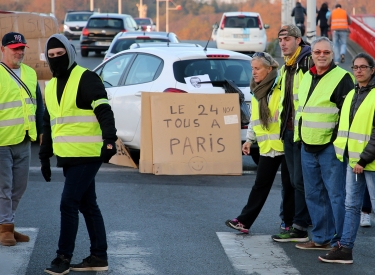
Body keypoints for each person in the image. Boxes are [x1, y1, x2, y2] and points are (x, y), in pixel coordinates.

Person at [39, 34, 117, 275]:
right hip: (68, 156)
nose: (55, 59)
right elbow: (49, 121)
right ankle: (98, 256)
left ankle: (63, 257)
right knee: (87, 204)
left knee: (68, 203)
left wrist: (109, 140)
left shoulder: (86, 77)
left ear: (70, 53)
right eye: (51, 56)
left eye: (60, 54)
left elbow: (104, 110)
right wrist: (44, 155)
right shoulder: (50, 86)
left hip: (88, 154)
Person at [293, 37, 354, 251]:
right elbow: (301, 110)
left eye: (326, 52)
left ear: (332, 54)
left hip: (330, 147)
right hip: (307, 145)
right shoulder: (307, 77)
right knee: (313, 194)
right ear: (312, 54)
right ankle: (321, 238)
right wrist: (298, 137)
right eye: (317, 52)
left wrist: (337, 141)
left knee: (336, 195)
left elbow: (347, 114)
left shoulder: (343, 77)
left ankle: (340, 240)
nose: (321, 55)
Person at [318, 53, 375, 264]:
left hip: (369, 162)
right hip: (354, 161)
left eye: (363, 67)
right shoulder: (352, 94)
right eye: (355, 67)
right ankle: (345, 249)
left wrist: (363, 159)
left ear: (372, 70)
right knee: (351, 206)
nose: (358, 70)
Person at [225, 52, 290, 234]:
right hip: (267, 147)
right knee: (260, 185)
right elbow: (255, 118)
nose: (253, 72)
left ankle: (289, 223)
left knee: (290, 187)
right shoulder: (256, 89)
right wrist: (249, 140)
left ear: (269, 69)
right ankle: (244, 222)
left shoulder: (280, 85)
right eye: (252, 68)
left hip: (285, 144)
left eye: (257, 68)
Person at [0, 32, 44, 246]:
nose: (19, 52)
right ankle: (6, 227)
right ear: (3, 50)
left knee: (20, 186)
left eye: (21, 48)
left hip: (24, 139)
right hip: (2, 142)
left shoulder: (30, 73)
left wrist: (42, 129)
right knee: (3, 187)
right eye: (14, 48)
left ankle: (5, 223)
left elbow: (38, 104)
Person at [271, 25, 312, 243]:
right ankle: (295, 222)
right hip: (287, 131)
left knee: (301, 182)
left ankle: (300, 226)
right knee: (293, 182)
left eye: (287, 39)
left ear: (298, 40)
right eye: (280, 40)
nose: (283, 43)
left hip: (303, 132)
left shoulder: (306, 62)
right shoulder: (287, 67)